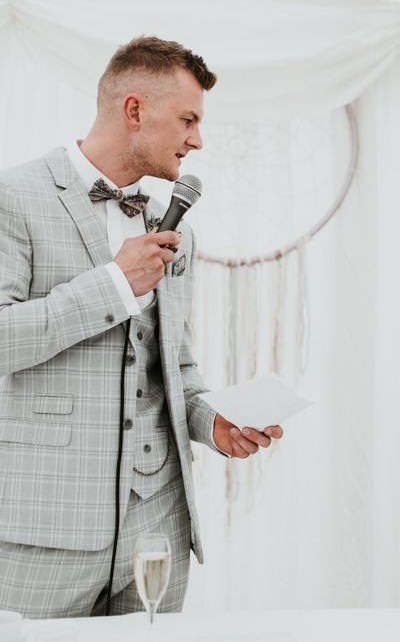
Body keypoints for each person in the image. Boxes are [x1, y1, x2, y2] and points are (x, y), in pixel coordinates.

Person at [0, 36, 283, 618]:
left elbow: (173, 365)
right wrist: (112, 283)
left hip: (156, 534)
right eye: (187, 119)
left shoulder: (171, 225)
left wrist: (213, 421)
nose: (197, 140)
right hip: (41, 531)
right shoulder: (14, 197)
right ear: (135, 110)